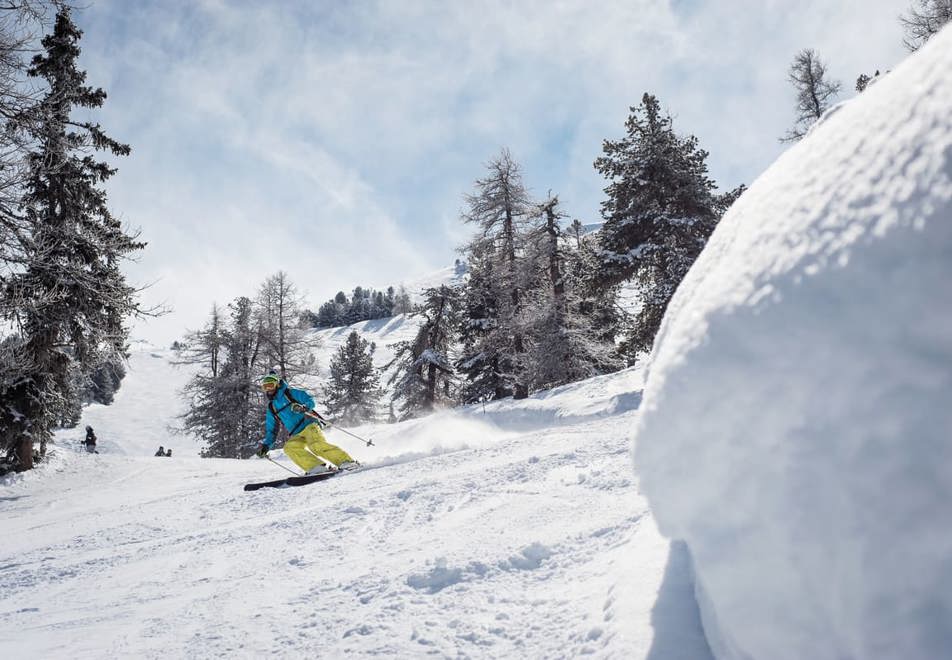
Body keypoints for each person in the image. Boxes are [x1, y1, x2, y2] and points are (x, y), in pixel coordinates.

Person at [256, 373, 358, 475]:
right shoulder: (272, 407)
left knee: (315, 445)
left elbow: (309, 400)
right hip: (296, 433)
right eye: (265, 387)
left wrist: (303, 407)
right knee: (290, 448)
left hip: (309, 425)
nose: (268, 389)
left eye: (271, 385)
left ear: (277, 384)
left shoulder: (290, 393)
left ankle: (346, 461)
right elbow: (272, 430)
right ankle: (316, 467)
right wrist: (266, 446)